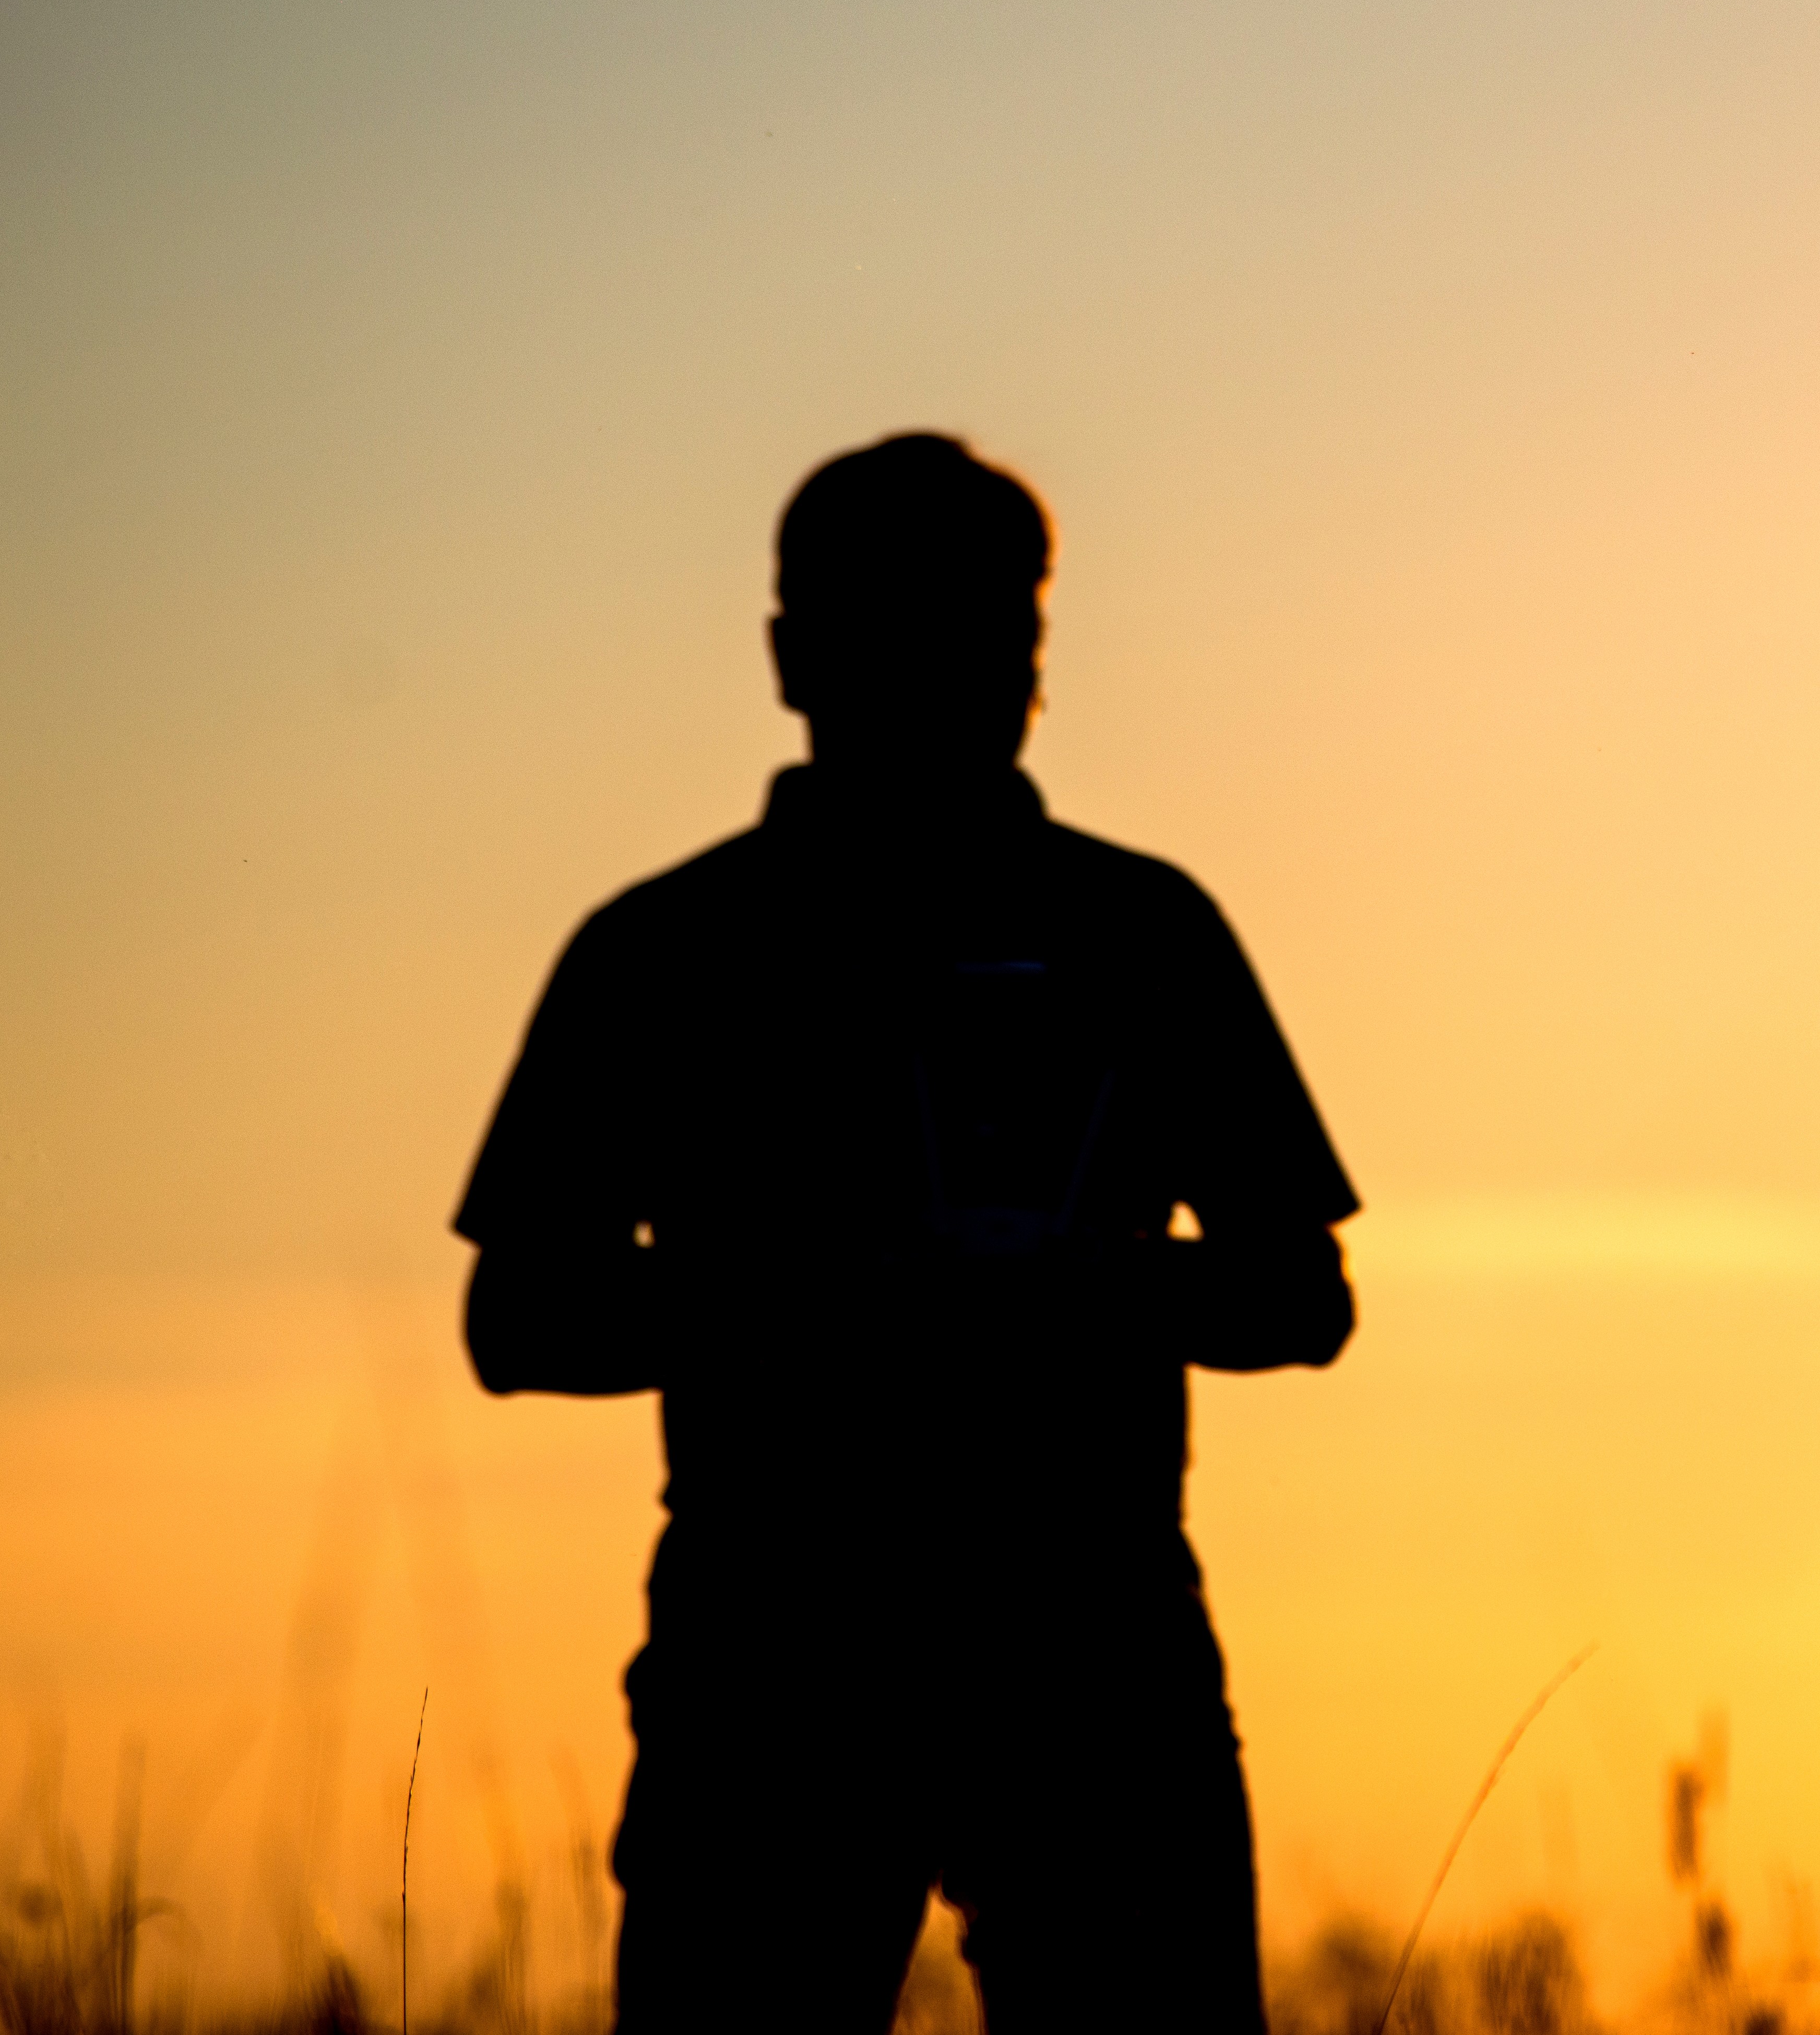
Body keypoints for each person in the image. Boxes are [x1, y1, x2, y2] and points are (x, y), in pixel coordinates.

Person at [454, 432, 1358, 2033]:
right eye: (912, 626)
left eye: (1000, 627)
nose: (969, 668)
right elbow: (519, 1320)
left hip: (1089, 1662)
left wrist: (1087, 1288)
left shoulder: (1144, 930)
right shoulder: (665, 951)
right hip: (780, 1666)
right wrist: (809, 1298)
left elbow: (1301, 1291)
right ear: (796, 658)